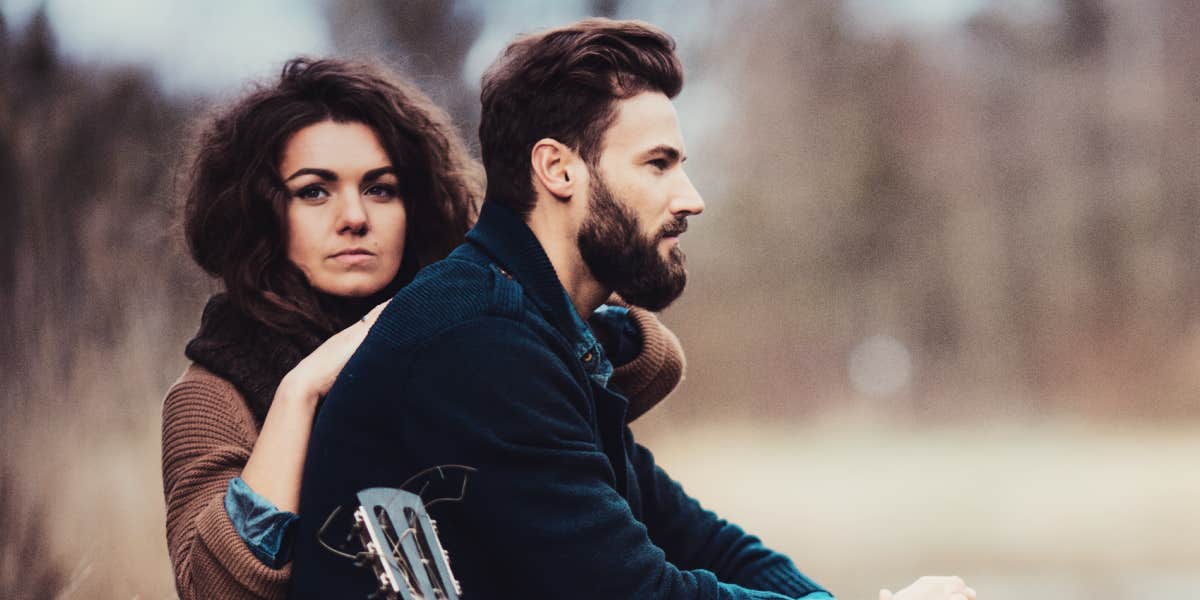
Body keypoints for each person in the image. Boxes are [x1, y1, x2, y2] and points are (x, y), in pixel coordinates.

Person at [292, 19, 980, 600]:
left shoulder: (544, 328)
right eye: (659, 164)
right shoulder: (479, 338)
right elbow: (631, 590)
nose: (690, 198)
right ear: (559, 169)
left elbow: (696, 537)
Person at [160, 57, 688, 600]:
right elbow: (211, 588)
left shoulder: (456, 322)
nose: (354, 217)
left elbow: (651, 362)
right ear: (261, 213)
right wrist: (301, 390)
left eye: (380, 189)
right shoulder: (212, 395)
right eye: (315, 191)